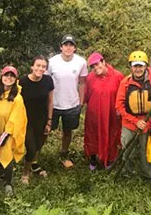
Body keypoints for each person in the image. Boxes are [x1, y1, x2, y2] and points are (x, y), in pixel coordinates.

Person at [115, 50, 151, 181]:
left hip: (147, 124)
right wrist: (135, 121)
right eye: (135, 66)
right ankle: (127, 173)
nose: (138, 69)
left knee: (144, 151)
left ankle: (147, 174)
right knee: (128, 150)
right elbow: (119, 106)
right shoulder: (125, 82)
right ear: (131, 67)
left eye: (140, 66)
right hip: (129, 124)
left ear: (146, 66)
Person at [47, 34, 88, 168]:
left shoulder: (81, 62)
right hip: (53, 104)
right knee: (45, 130)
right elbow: (46, 82)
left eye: (71, 45)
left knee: (68, 131)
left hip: (72, 103)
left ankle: (64, 154)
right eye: (66, 45)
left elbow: (82, 83)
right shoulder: (52, 61)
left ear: (75, 48)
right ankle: (36, 157)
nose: (68, 48)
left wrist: (81, 103)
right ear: (61, 47)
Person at [0, 65, 28, 195]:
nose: (8, 78)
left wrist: (7, 133)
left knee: (6, 156)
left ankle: (8, 183)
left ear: (15, 79)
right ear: (2, 76)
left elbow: (16, 117)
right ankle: (2, 177)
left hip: (7, 133)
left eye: (12, 76)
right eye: (6, 75)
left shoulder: (17, 97)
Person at [84, 52, 125, 170]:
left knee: (111, 133)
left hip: (111, 113)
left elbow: (122, 95)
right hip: (94, 113)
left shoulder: (118, 76)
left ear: (103, 62)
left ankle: (110, 158)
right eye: (92, 66)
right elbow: (87, 95)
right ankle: (93, 159)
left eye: (97, 64)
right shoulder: (90, 77)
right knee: (92, 135)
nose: (96, 68)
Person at [19, 56, 54, 183]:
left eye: (43, 66)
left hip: (42, 118)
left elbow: (50, 101)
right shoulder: (22, 82)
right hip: (26, 120)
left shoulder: (48, 80)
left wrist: (49, 121)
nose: (40, 68)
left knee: (38, 145)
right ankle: (25, 174)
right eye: (38, 65)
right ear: (32, 67)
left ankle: (34, 166)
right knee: (31, 148)